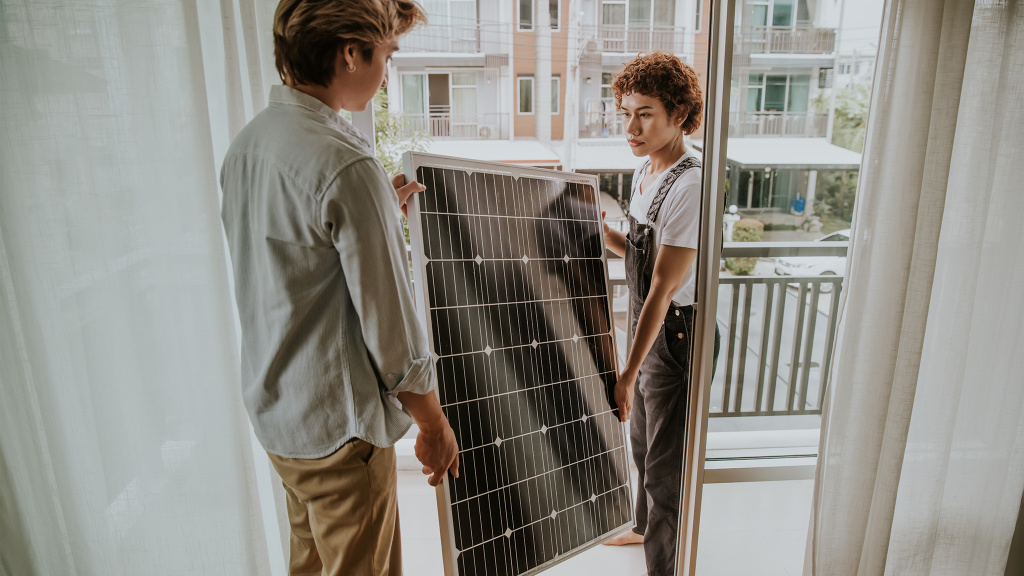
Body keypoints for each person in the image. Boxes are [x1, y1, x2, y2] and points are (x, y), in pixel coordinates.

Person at [219, 1, 459, 575]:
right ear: (351, 52)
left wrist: (378, 212)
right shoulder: (347, 165)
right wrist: (433, 423)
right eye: (388, 55)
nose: (387, 72)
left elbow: (292, 258)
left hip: (282, 419)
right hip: (340, 433)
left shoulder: (249, 145)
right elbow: (393, 334)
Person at [600, 52, 721, 576]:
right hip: (653, 332)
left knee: (663, 469)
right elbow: (640, 255)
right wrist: (597, 230)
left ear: (680, 113)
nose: (631, 127)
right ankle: (643, 528)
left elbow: (663, 288)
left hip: (677, 334)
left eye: (644, 113)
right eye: (625, 111)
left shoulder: (692, 183)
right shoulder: (645, 169)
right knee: (641, 442)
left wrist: (626, 373)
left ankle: (662, 570)